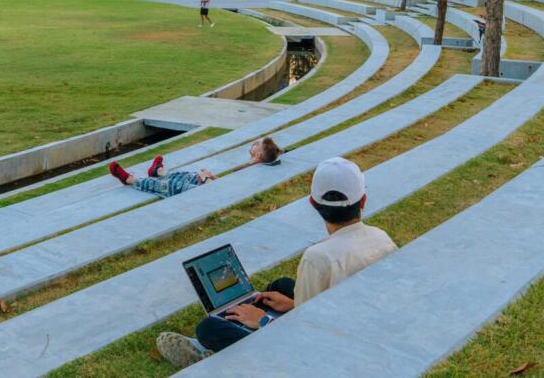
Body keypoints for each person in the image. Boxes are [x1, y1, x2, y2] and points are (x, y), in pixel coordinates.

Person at [156, 157, 398, 368]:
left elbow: (306, 336)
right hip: (361, 330)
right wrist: (294, 304)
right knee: (281, 286)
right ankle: (234, 334)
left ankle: (212, 353)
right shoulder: (382, 238)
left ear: (313, 204)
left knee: (209, 328)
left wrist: (261, 319)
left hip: (328, 350)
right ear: (363, 200)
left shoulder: (318, 257)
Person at [108, 138, 282, 198]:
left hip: (208, 192)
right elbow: (228, 185)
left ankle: (131, 179)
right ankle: (158, 172)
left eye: (256, 145)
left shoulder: (249, 172)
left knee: (172, 186)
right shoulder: (249, 168)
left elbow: (228, 192)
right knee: (187, 174)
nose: (252, 144)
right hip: (210, 186)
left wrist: (206, 180)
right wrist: (211, 177)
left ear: (258, 155)